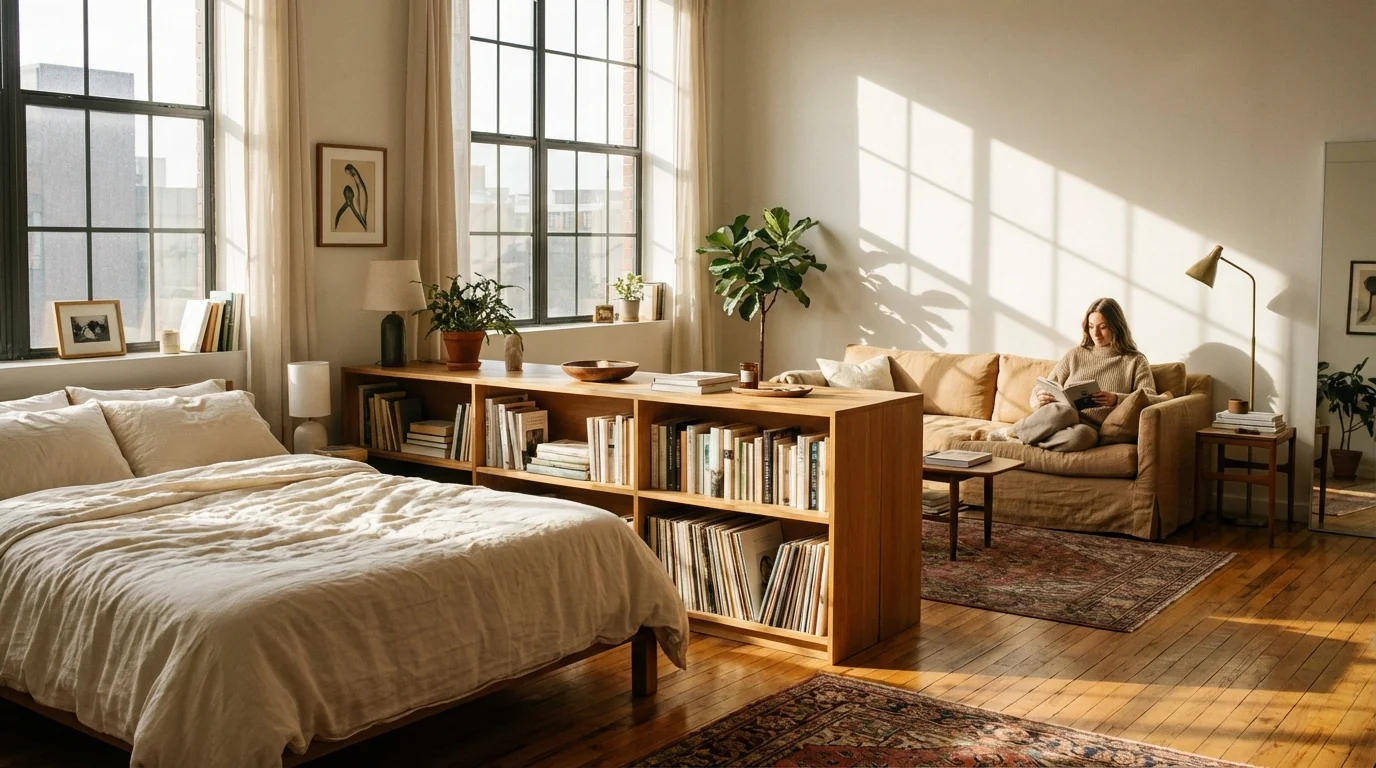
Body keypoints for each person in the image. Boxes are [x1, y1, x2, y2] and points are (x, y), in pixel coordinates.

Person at [1009, 297, 1168, 452]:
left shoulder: (1135, 361)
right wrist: (1039, 399)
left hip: (1091, 428)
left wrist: (1116, 399)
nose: (1096, 333)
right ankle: (1013, 432)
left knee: (1082, 437)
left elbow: (1151, 398)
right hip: (1062, 417)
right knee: (1066, 411)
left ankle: (1024, 438)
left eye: (1103, 326)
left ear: (1117, 326)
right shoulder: (1076, 354)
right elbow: (1043, 387)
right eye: (1091, 326)